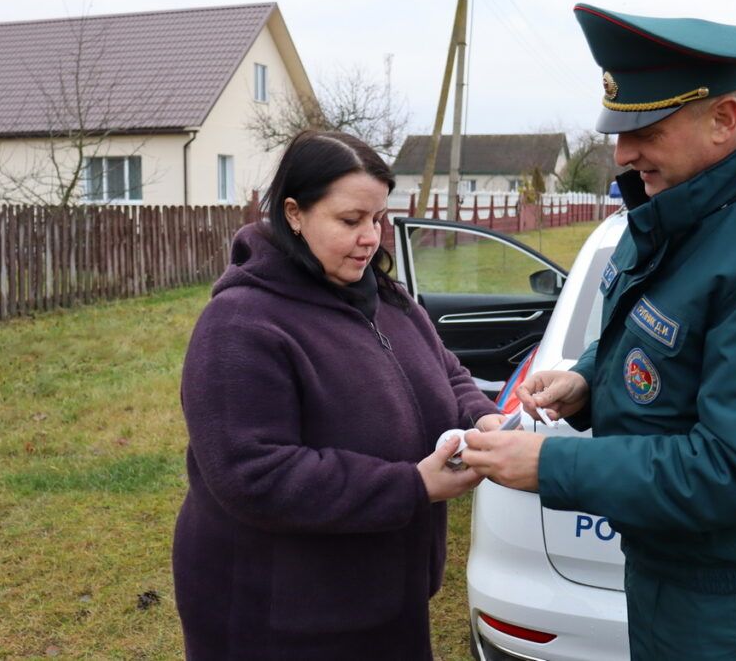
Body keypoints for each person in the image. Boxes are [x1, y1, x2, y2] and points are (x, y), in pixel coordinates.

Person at [463, 4, 736, 660]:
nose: (623, 152)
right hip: (668, 553)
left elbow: (733, 472)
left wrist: (548, 462)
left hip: (719, 587)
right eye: (619, 129)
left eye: (646, 127)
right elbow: (659, 336)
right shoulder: (691, 209)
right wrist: (587, 380)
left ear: (723, 120)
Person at [173, 130, 503, 660]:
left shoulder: (388, 300)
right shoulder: (239, 324)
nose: (371, 237)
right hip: (281, 620)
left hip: (384, 595)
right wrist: (411, 486)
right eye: (351, 221)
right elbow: (253, 475)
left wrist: (483, 419)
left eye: (378, 219)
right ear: (295, 214)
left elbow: (449, 373)